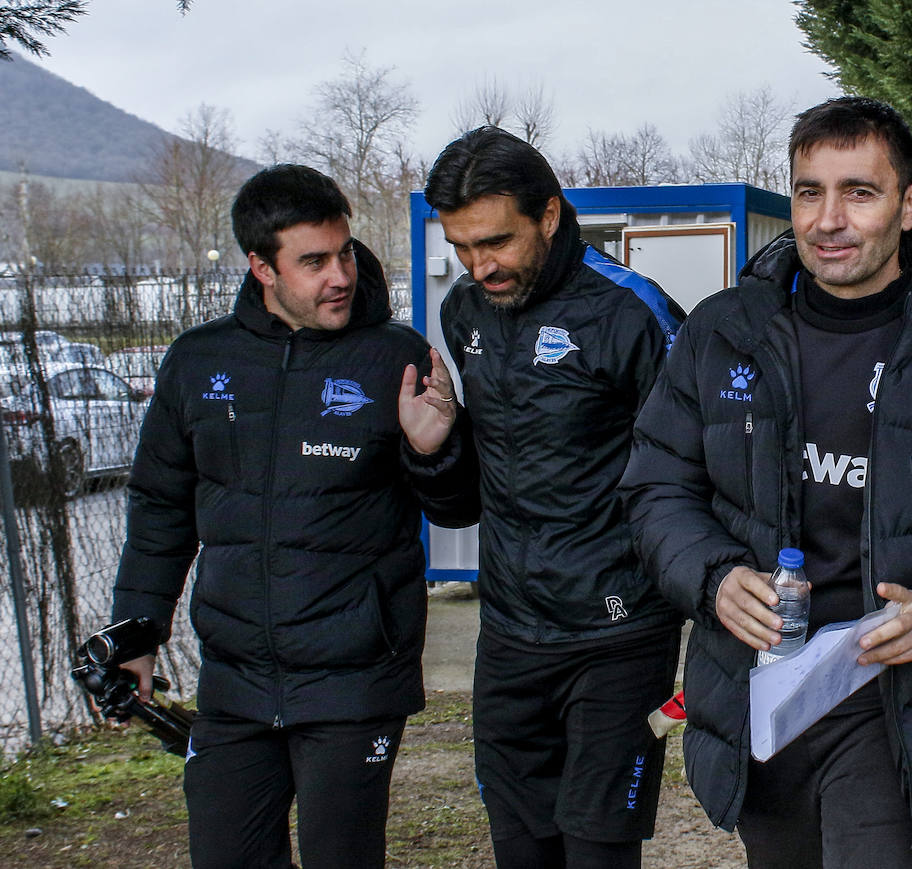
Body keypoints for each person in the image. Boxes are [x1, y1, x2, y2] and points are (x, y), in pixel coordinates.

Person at [620, 97, 912, 868]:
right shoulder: (721, 335)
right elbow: (655, 490)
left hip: (898, 704)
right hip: (762, 697)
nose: (828, 219)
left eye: (859, 192)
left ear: (911, 205)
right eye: (810, 191)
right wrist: (713, 578)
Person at [110, 164, 478, 868]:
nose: (339, 275)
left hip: (355, 677)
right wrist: (138, 631)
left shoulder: (395, 359)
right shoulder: (198, 362)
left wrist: (436, 449)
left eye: (343, 252)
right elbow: (160, 508)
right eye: (313, 261)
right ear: (261, 266)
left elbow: (459, 505)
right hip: (236, 678)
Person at [423, 126, 686, 868]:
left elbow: (703, 470)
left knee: (596, 851)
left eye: (497, 241)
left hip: (618, 632)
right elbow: (471, 492)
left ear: (549, 214)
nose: (481, 266)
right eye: (464, 247)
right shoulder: (465, 314)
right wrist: (435, 447)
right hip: (508, 631)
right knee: (523, 849)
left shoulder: (632, 312)